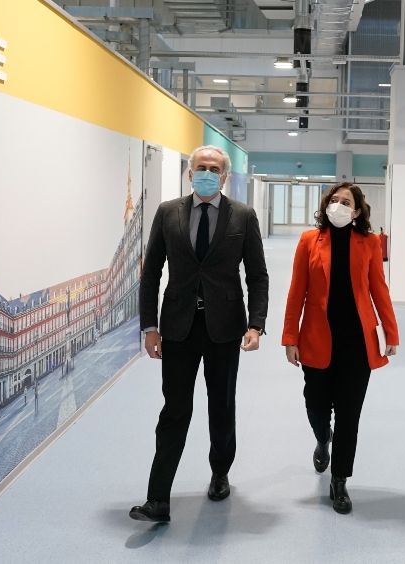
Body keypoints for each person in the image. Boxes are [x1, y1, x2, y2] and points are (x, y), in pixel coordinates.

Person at [130, 145, 269, 523]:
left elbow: (257, 275)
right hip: (178, 327)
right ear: (190, 174)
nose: (207, 173)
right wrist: (150, 327)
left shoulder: (242, 216)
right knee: (174, 410)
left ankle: (220, 471)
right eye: (201, 168)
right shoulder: (168, 212)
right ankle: (158, 499)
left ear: (224, 177)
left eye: (214, 169)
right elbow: (151, 273)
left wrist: (256, 324)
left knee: (221, 407)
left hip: (225, 328)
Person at [282, 182, 399, 515]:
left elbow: (379, 289)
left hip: (357, 342)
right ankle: (323, 438)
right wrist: (290, 337)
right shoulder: (309, 240)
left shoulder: (370, 243)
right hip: (317, 337)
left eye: (346, 202)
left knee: (349, 414)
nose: (338, 206)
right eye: (334, 200)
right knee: (316, 405)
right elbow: (297, 291)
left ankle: (340, 479)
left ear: (357, 210)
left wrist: (391, 332)